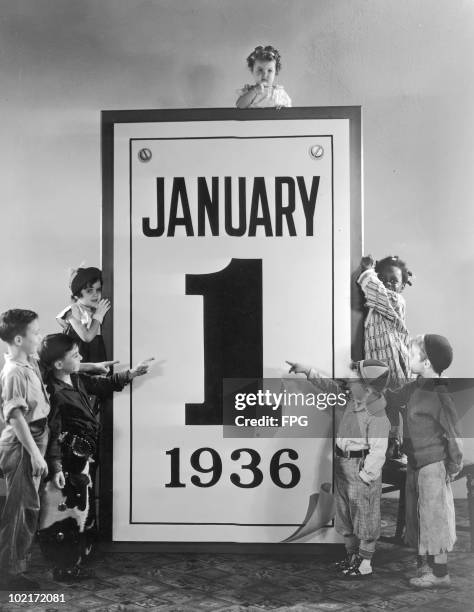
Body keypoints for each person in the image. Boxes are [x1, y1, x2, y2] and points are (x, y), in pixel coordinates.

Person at [37, 333, 154, 581]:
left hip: (82, 457)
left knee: (80, 507)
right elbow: (54, 433)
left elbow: (103, 384)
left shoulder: (76, 379)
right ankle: (65, 567)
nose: (81, 358)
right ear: (59, 364)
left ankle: (75, 557)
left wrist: (132, 373)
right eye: (75, 355)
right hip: (67, 460)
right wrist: (57, 467)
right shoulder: (54, 393)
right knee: (66, 512)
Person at [287, 358, 390, 578]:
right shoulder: (351, 400)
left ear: (368, 387)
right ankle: (352, 556)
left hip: (360, 468)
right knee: (345, 514)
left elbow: (378, 450)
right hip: (343, 465)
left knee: (365, 515)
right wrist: (307, 370)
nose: (348, 381)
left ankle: (365, 563)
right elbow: (330, 386)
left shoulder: (376, 414)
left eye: (354, 379)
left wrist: (365, 475)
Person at [385, 334, 463, 588]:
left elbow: (453, 433)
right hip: (415, 463)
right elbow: (390, 399)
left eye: (411, 352)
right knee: (417, 517)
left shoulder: (439, 394)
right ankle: (424, 565)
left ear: (427, 362)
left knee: (434, 517)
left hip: (433, 464)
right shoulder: (412, 387)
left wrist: (453, 465)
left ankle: (440, 573)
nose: (406, 356)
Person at [0, 309, 49, 590]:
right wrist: (36, 454)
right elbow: (16, 418)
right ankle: (9, 574)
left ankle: (14, 567)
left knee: (27, 507)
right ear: (19, 339)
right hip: (22, 444)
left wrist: (95, 366)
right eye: (35, 332)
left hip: (33, 438)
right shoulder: (14, 372)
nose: (39, 336)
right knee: (20, 509)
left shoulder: (29, 362)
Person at [357, 255, 413, 388]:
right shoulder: (374, 307)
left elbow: (376, 290)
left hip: (396, 376)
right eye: (382, 278)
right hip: (380, 379)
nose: (387, 283)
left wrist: (368, 271)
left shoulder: (396, 301)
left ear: (402, 287)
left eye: (394, 281)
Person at [57, 266, 110, 364]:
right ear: (77, 294)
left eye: (98, 290)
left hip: (96, 356)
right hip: (79, 361)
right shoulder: (73, 310)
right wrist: (98, 316)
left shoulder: (95, 309)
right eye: (89, 291)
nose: (95, 294)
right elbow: (87, 337)